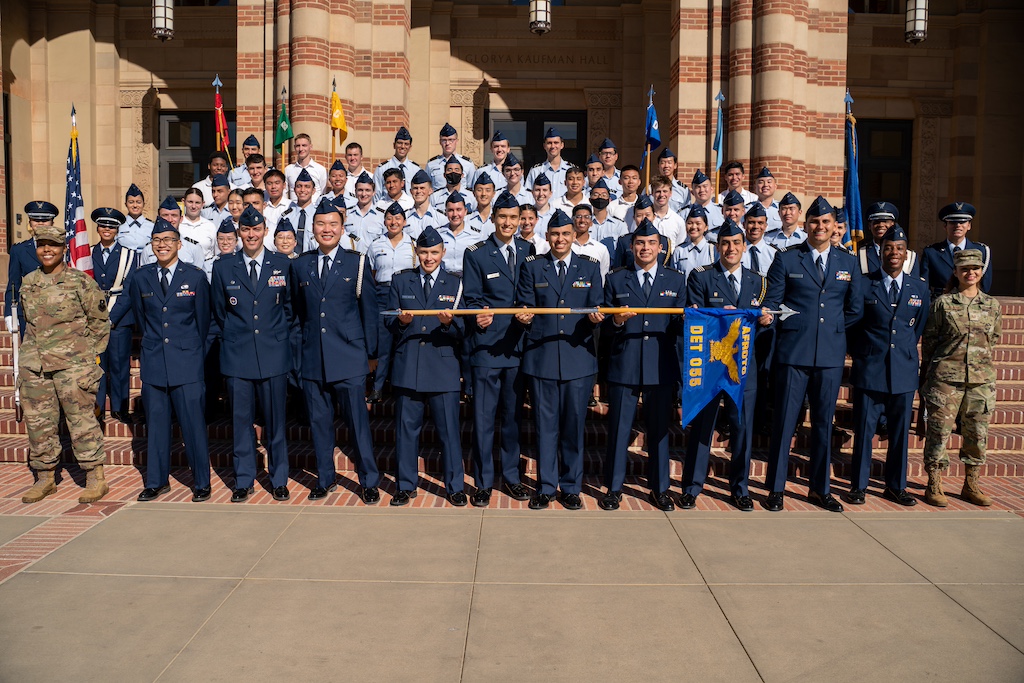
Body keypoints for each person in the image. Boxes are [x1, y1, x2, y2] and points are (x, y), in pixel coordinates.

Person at [762, 196, 863, 512]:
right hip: (793, 354)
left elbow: (855, 309)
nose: (820, 227)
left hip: (830, 357)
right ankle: (775, 488)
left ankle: (820, 489)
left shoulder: (848, 262)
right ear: (806, 226)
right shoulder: (787, 259)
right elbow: (775, 304)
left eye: (826, 222)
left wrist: (830, 329)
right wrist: (792, 323)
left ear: (834, 227)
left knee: (823, 424)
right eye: (815, 222)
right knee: (785, 423)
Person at [290, 197, 381, 503]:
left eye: (333, 224)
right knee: (319, 424)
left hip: (349, 357)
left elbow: (369, 312)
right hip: (314, 358)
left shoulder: (356, 262)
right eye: (321, 224)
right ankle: (325, 477)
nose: (326, 230)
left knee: (358, 425)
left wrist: (371, 355)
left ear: (343, 229)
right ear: (313, 228)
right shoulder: (300, 265)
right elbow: (298, 315)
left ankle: (368, 480)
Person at [515, 209, 603, 509]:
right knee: (545, 426)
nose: (560, 239)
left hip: (578, 358)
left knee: (573, 427)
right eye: (555, 234)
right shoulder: (532, 267)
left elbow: (596, 306)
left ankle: (570, 486)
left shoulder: (589, 268)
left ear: (573, 235)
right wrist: (524, 317)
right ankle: (545, 486)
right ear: (547, 236)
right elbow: (524, 304)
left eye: (566, 233)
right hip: (542, 359)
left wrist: (596, 316)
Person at [18, 224, 111, 504]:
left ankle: (95, 476)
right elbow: (29, 324)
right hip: (35, 365)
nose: (47, 250)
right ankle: (45, 478)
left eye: (53, 245)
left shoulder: (80, 282)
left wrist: (86, 358)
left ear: (63, 249)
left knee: (81, 421)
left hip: (73, 366)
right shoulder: (29, 282)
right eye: (42, 245)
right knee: (38, 424)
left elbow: (99, 322)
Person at [683, 220, 773, 511]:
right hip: (710, 366)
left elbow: (761, 324)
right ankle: (691, 487)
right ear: (717, 246)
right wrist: (725, 315)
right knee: (702, 428)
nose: (731, 248)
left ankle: (740, 488)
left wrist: (764, 321)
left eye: (736, 243)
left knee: (742, 429)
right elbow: (697, 318)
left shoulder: (758, 281)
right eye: (725, 243)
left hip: (743, 367)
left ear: (745, 246)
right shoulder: (701, 277)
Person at [598, 219, 685, 511]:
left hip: (660, 366)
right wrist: (617, 320)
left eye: (651, 243)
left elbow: (679, 325)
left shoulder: (676, 280)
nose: (645, 248)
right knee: (619, 430)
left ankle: (660, 489)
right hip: (625, 364)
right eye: (639, 243)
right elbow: (605, 329)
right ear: (632, 247)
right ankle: (613, 487)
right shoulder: (615, 278)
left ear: (661, 248)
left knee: (659, 431)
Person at [212, 206, 293, 502]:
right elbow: (219, 313)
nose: (251, 235)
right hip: (238, 356)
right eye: (245, 230)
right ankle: (244, 479)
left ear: (264, 231)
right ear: (239, 233)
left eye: (256, 229)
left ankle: (279, 478)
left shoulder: (282, 264)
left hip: (274, 355)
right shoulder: (223, 267)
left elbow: (289, 309)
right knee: (241, 422)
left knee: (276, 423)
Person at [129, 218, 212, 502]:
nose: (162, 245)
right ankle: (156, 481)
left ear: (179, 244)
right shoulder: (141, 277)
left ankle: (201, 481)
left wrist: (192, 355)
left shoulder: (195, 276)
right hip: (154, 362)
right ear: (151, 245)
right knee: (157, 426)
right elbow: (142, 318)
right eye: (157, 240)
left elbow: (204, 323)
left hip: (187, 363)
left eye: (168, 240)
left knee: (193, 427)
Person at [846, 225, 929, 506]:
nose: (894, 253)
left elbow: (917, 328)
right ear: (881, 252)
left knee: (899, 435)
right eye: (889, 248)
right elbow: (854, 325)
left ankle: (895, 486)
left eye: (900, 249)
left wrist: (903, 353)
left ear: (906, 255)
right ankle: (858, 485)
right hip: (870, 369)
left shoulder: (919, 287)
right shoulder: (864, 283)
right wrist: (863, 354)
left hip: (903, 372)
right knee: (864, 432)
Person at [462, 191, 535, 506]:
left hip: (517, 348)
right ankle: (482, 482)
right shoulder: (476, 253)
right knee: (483, 419)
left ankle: (512, 477)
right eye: (502, 217)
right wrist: (479, 316)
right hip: (488, 349)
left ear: (521, 221)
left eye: (514, 218)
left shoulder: (528, 250)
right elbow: (472, 298)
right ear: (493, 219)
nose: (508, 223)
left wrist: (528, 310)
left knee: (512, 419)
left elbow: (531, 292)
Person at [387, 226, 467, 505]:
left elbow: (464, 330)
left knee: (449, 433)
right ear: (416, 253)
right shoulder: (401, 281)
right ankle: (405, 485)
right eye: (423, 252)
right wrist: (401, 323)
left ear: (443, 253)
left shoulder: (455, 283)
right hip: (409, 367)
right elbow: (387, 322)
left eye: (434, 252)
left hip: (442, 369)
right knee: (406, 432)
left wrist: (449, 325)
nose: (429, 257)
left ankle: (455, 486)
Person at [920, 248, 1001, 507]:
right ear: (955, 272)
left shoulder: (992, 305)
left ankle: (971, 484)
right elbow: (930, 342)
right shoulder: (942, 304)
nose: (970, 272)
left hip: (980, 381)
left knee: (977, 433)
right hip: (945, 379)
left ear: (981, 271)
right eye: (965, 268)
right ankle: (934, 483)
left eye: (975, 268)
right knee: (939, 433)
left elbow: (994, 339)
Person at [91, 206, 138, 423]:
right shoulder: (87, 253)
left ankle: (120, 407)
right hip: (92, 320)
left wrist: (111, 317)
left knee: (120, 365)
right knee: (97, 365)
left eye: (111, 226)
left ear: (117, 230)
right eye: (103, 225)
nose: (107, 229)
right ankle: (97, 407)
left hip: (119, 320)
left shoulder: (129, 255)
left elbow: (129, 291)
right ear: (98, 228)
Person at [368, 202, 419, 403]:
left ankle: (405, 387)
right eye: (389, 218)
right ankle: (378, 388)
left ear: (404, 222)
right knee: (383, 343)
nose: (393, 222)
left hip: (407, 296)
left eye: (397, 218)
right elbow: (372, 275)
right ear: (384, 221)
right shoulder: (376, 244)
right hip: (382, 294)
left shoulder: (413, 245)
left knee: (406, 342)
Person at [920, 202, 992, 297]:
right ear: (945, 226)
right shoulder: (932, 252)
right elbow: (924, 287)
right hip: (940, 303)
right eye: (953, 222)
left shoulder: (982, 251)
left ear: (969, 226)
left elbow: (985, 286)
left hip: (972, 305)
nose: (958, 225)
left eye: (962, 222)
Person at [5, 201, 55, 336]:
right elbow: (14, 284)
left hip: (58, 315)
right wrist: (10, 313)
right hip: (29, 315)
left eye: (45, 220)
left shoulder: (62, 248)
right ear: (30, 222)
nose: (40, 223)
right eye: (35, 220)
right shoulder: (19, 250)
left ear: (52, 222)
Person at [857, 201, 919, 276]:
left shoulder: (910, 256)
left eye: (885, 221)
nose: (881, 225)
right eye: (876, 222)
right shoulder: (861, 254)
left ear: (893, 224)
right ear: (870, 226)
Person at [438, 191, 486, 277]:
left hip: (468, 278)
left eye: (458, 210)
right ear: (446, 212)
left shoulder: (476, 235)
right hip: (444, 280)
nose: (455, 214)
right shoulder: (438, 234)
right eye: (451, 210)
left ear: (465, 211)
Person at [670, 204, 716, 284]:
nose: (694, 227)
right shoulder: (679, 251)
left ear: (706, 227)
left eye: (698, 223)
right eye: (690, 223)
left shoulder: (713, 250)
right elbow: (673, 279)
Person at [426, 122, 476, 191]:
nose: (447, 143)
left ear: (457, 141)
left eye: (451, 140)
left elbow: (471, 188)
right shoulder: (431, 164)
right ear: (440, 142)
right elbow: (427, 188)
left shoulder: (467, 164)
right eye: (444, 140)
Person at [374, 126, 421, 196]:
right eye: (399, 143)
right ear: (394, 145)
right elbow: (376, 195)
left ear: (410, 147)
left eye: (406, 144)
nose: (402, 146)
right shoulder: (382, 169)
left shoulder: (416, 170)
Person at [526, 127, 572, 197]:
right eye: (549, 143)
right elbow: (528, 196)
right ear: (544, 146)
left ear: (562, 145)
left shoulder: (571, 170)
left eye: (556, 143)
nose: (553, 146)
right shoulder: (536, 171)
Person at [284, 133, 328, 200]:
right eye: (298, 146)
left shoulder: (320, 169)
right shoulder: (288, 169)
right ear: (294, 147)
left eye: (304, 145)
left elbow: (324, 192)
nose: (301, 149)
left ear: (310, 147)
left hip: (314, 208)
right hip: (294, 208)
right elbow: (284, 193)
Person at [119, 183, 154, 252]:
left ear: (143, 204)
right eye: (131, 202)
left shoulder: (152, 226)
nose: (135, 205)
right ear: (126, 204)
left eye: (138, 202)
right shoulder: (120, 226)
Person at [654, 148, 691, 212]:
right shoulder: (649, 189)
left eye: (669, 162)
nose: (666, 166)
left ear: (675, 165)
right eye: (663, 163)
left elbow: (687, 212)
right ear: (658, 166)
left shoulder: (683, 190)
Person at [750, 166, 782, 232]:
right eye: (761, 182)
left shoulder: (781, 208)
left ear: (775, 186)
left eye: (769, 182)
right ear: (755, 187)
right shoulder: (748, 209)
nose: (765, 185)